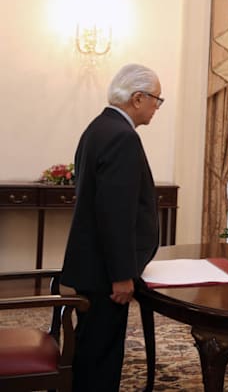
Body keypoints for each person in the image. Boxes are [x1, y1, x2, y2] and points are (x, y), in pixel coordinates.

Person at [61, 64, 162, 391]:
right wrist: (122, 275)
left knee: (90, 349)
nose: (157, 108)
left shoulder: (97, 128)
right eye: (156, 100)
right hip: (105, 274)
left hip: (91, 266)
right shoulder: (123, 137)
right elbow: (115, 214)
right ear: (138, 98)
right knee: (101, 357)